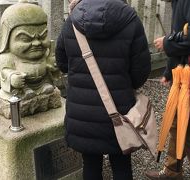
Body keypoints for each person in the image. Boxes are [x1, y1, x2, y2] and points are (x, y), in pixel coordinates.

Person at [55, 0, 151, 179]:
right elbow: (141, 71)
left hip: (82, 111)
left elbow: (61, 62)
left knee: (90, 164)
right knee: (121, 163)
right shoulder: (130, 19)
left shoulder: (73, 20)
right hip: (119, 109)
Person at [145, 0, 190, 179]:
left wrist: (168, 42)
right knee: (175, 124)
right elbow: (180, 33)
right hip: (184, 76)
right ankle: (172, 171)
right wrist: (169, 72)